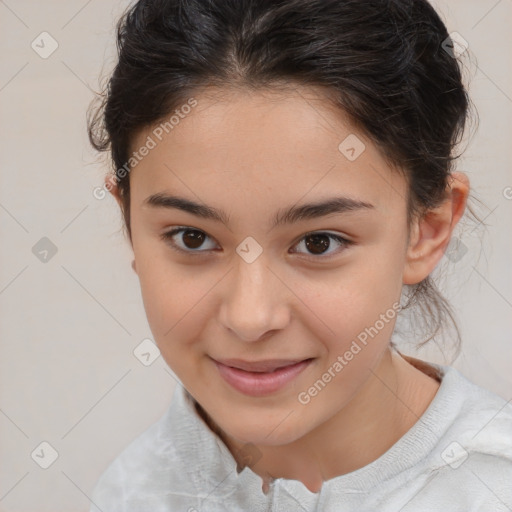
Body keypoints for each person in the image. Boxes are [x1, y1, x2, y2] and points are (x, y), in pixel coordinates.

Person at [86, 0, 512, 510]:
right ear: (130, 223)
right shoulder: (129, 494)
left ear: (427, 230)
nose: (250, 318)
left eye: (318, 242)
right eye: (192, 238)